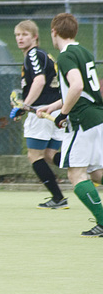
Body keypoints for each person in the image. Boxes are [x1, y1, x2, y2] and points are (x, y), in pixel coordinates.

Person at [37, 13, 103, 237]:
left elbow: (77, 85)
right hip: (97, 117)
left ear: (54, 32)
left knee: (76, 174)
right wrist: (52, 107)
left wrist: (63, 114)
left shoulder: (65, 56)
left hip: (83, 120)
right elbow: (79, 91)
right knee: (96, 173)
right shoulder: (83, 51)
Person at [10, 20, 67, 209]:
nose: (20, 38)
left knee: (34, 156)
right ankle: (87, 170)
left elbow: (40, 81)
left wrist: (24, 105)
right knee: (51, 154)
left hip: (43, 111)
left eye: (24, 35)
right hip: (56, 109)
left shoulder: (33, 54)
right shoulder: (44, 55)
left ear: (35, 37)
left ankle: (58, 198)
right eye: (18, 35)